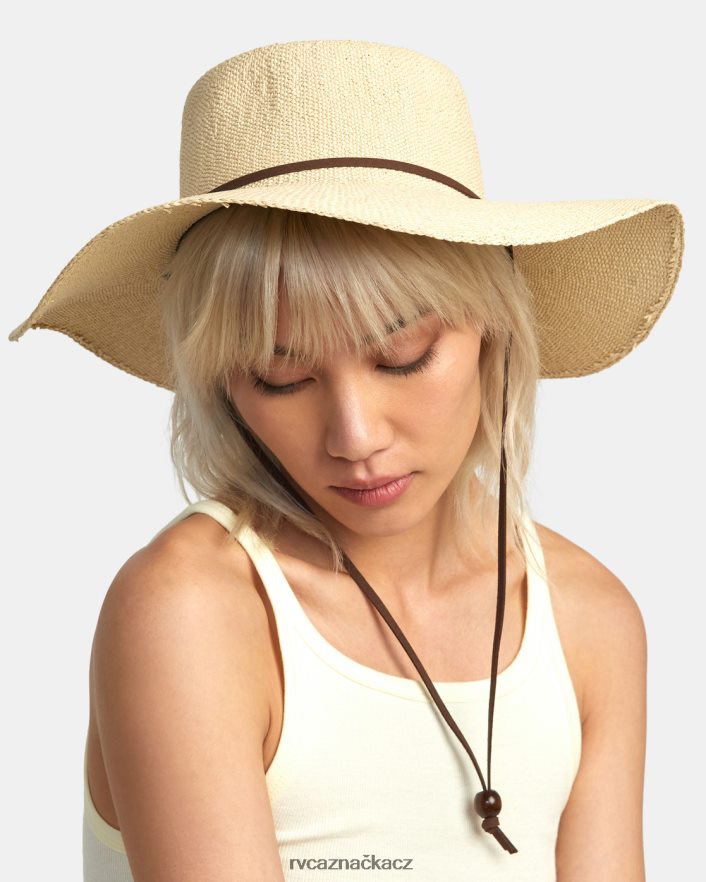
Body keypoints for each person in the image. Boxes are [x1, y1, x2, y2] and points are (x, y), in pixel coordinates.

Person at [7, 39, 684, 882]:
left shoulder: (588, 619)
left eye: (402, 356)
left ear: (496, 333)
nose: (355, 436)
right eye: (281, 375)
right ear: (223, 382)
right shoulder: (196, 612)